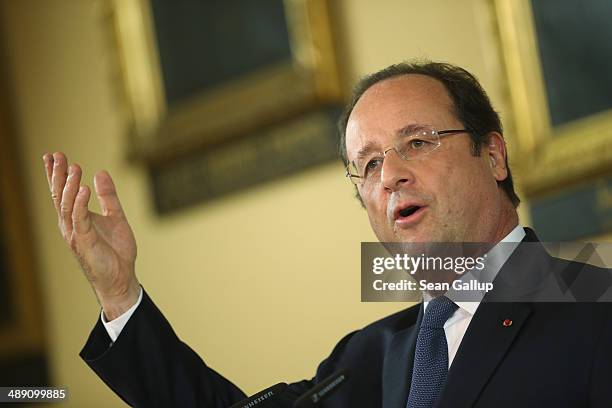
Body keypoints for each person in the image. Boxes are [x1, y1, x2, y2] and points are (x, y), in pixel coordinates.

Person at [43, 61, 612, 407]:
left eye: (417, 142)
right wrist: (120, 295)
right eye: (367, 164)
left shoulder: (596, 313)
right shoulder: (366, 357)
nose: (390, 176)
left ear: (492, 155)